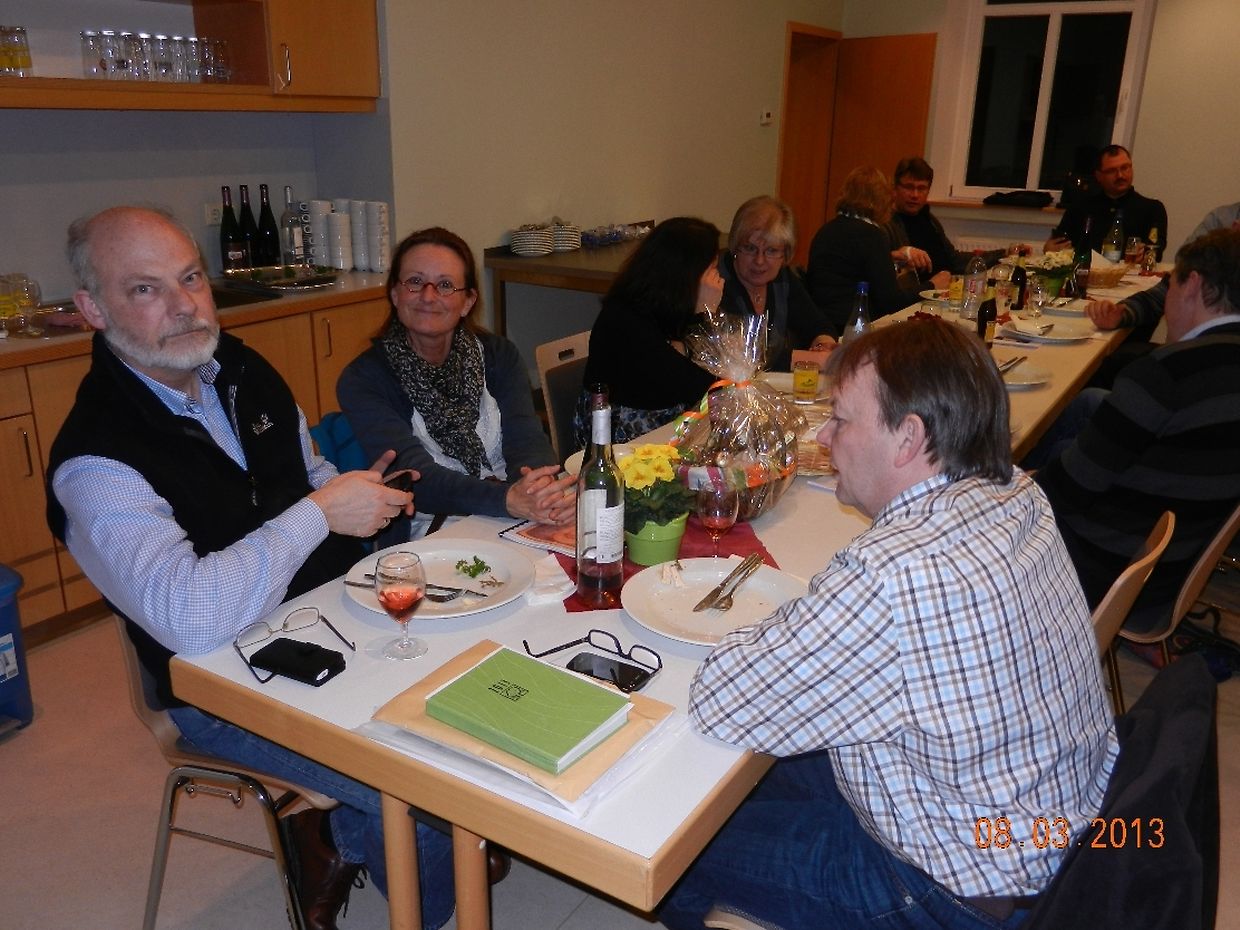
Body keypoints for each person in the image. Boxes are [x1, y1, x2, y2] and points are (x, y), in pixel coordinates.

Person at [44, 206, 458, 930]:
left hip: (331, 617)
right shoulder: (95, 461)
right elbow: (191, 620)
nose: (184, 305)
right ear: (92, 309)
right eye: (145, 289)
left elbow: (307, 470)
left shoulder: (240, 369)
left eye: (191, 278)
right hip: (221, 684)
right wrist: (321, 512)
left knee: (463, 690)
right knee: (422, 783)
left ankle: (349, 836)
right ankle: (366, 845)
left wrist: (360, 497)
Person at [659, 318, 1117, 930]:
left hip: (953, 892)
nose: (825, 435)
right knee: (748, 778)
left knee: (674, 845)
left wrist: (784, 629)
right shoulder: (1017, 493)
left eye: (841, 420)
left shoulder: (889, 574)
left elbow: (723, 700)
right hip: (1049, 834)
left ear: (908, 437)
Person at [1036, 228, 1240, 630]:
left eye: (1170, 286)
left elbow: (1064, 491)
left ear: (1192, 285)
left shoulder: (1165, 373)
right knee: (1089, 403)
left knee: (1042, 462)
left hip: (1111, 572)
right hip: (1180, 557)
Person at [338, 226, 573, 544]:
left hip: (517, 510)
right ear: (395, 294)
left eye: (445, 285)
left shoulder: (499, 356)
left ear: (467, 301)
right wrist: (507, 500)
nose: (428, 296)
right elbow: (416, 479)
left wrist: (537, 488)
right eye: (415, 282)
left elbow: (527, 440)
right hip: (431, 529)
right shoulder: (364, 378)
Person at [576, 216, 724, 444]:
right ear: (688, 274)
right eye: (712, 269)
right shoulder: (626, 321)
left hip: (661, 431)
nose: (718, 279)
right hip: (621, 447)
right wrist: (706, 314)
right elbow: (706, 390)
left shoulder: (662, 306)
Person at [805, 166, 937, 333]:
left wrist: (888, 258)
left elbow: (849, 266)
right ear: (882, 199)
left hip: (821, 323)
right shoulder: (872, 235)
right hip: (851, 326)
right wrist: (932, 286)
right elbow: (891, 302)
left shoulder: (827, 230)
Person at [716, 195, 837, 370]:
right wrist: (812, 360)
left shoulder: (782, 278)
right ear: (735, 246)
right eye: (750, 248)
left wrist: (824, 346)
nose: (759, 261)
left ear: (785, 254)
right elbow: (742, 354)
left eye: (771, 251)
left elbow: (817, 323)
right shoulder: (717, 280)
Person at [883, 157, 1008, 283]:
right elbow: (880, 265)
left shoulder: (930, 220)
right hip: (920, 292)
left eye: (921, 188)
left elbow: (954, 260)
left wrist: (1003, 254)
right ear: (895, 188)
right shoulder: (885, 223)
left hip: (947, 288)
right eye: (908, 187)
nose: (915, 195)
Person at [1045, 144, 1167, 255]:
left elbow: (1156, 250)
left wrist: (1146, 252)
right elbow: (1058, 243)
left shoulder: (1152, 209)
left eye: (1125, 168)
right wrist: (1050, 251)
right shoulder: (1079, 208)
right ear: (1098, 176)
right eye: (1112, 171)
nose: (1120, 175)